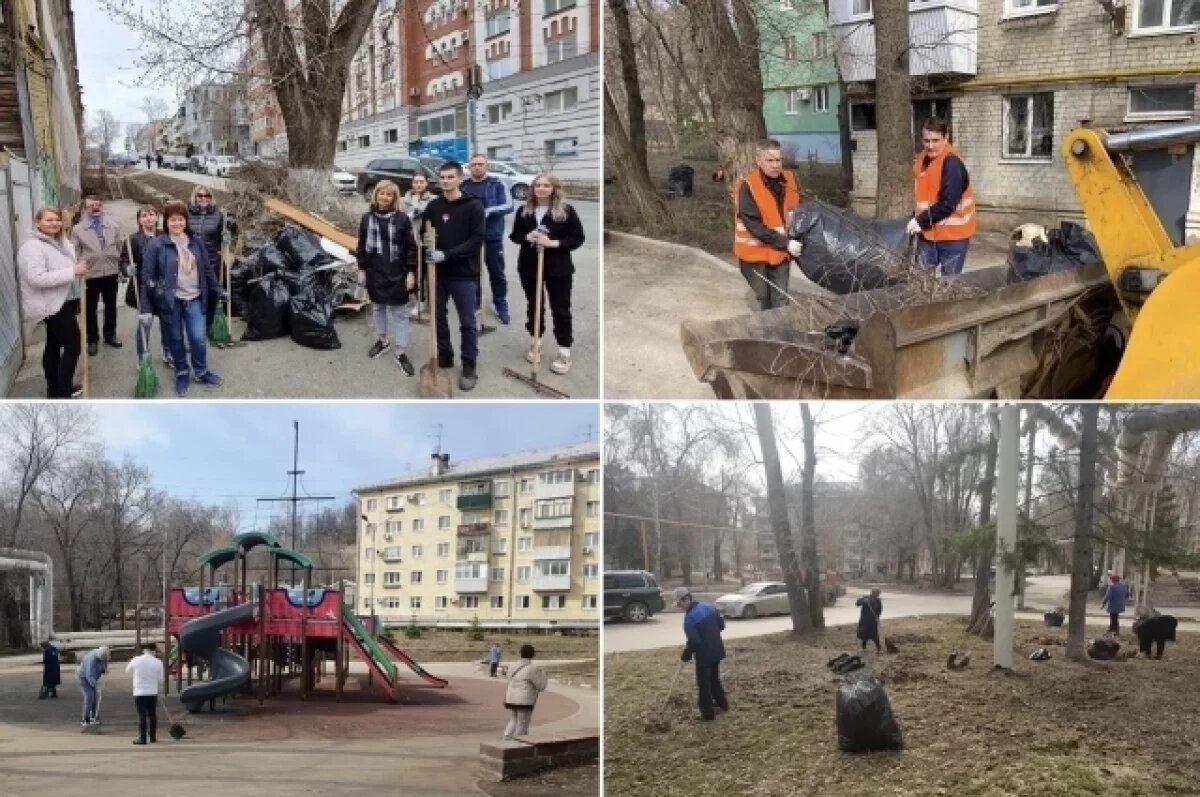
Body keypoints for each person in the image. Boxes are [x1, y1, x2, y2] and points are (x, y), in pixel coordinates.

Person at [141, 200, 223, 397]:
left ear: (185, 221)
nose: (177, 224)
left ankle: (201, 371)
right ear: (165, 222)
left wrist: (218, 290)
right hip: (170, 302)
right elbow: (147, 277)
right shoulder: (157, 245)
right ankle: (182, 372)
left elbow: (207, 270)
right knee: (176, 339)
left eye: (180, 219)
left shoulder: (196, 243)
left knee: (198, 338)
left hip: (194, 298)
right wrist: (145, 309)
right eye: (172, 220)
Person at [508, 173, 586, 376]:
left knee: (560, 308)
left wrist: (553, 243)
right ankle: (536, 342)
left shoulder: (566, 211)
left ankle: (564, 350)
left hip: (558, 267)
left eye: (546, 185)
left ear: (554, 188)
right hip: (529, 265)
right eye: (537, 185)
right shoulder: (524, 211)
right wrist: (527, 236)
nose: (541, 189)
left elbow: (578, 238)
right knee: (534, 305)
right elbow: (514, 236)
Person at [422, 161, 486, 391]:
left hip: (463, 275)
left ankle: (469, 364)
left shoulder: (473, 206)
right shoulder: (434, 206)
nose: (446, 181)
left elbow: (476, 241)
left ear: (460, 179)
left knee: (467, 322)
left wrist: (446, 255)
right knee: (437, 318)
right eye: (442, 177)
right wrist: (426, 243)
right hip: (436, 274)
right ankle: (445, 355)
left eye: (450, 177)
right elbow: (424, 234)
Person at [18, 207, 89, 398]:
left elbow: (67, 262)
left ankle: (55, 390)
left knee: (54, 344)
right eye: (49, 220)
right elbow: (36, 278)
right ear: (37, 223)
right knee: (73, 344)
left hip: (62, 299)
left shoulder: (55, 241)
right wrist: (73, 271)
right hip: (51, 304)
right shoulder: (32, 247)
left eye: (57, 219)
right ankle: (63, 392)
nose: (55, 223)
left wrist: (75, 268)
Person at [356, 180, 418, 375]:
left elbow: (411, 248)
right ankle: (383, 341)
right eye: (381, 193)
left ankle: (400, 352)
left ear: (394, 198)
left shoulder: (402, 219)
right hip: (375, 271)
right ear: (376, 195)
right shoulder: (366, 218)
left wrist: (410, 272)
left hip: (397, 272)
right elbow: (361, 246)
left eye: (389, 194)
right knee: (378, 307)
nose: (384, 197)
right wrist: (361, 268)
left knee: (400, 312)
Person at [734, 139, 803, 311]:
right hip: (753, 254)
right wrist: (786, 242)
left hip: (778, 253)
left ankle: (781, 333)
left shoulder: (790, 180)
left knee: (780, 299)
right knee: (764, 298)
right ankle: (768, 330)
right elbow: (754, 226)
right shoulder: (748, 187)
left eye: (778, 160)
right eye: (770, 160)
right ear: (759, 161)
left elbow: (800, 212)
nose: (775, 165)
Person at [906, 117, 975, 276]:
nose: (930, 146)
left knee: (947, 287)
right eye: (927, 140)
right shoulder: (922, 159)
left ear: (946, 138)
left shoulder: (952, 163)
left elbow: (948, 203)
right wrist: (916, 217)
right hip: (927, 235)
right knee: (919, 283)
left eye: (936, 140)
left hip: (953, 238)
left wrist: (920, 220)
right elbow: (925, 196)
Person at [461, 154, 514, 324]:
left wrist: (488, 211)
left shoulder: (497, 183)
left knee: (496, 273)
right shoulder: (464, 185)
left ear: (487, 166)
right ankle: (475, 302)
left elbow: (509, 205)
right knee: (472, 271)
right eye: (474, 164)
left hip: (492, 236)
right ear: (469, 167)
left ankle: (500, 304)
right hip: (470, 238)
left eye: (480, 164)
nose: (477, 167)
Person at [71, 195, 126, 356]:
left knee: (111, 305)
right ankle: (92, 338)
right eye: (91, 206)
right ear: (84, 209)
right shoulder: (78, 229)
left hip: (110, 271)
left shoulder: (113, 225)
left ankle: (110, 334)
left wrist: (115, 258)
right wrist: (82, 265)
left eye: (98, 205)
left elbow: (119, 244)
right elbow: (75, 251)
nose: (95, 207)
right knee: (90, 308)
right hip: (90, 274)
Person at [119, 204, 172, 367]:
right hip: (143, 289)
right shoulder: (133, 240)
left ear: (157, 217)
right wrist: (128, 269)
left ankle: (168, 352)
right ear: (139, 220)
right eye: (144, 215)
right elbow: (123, 261)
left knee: (167, 321)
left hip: (164, 287)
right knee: (145, 323)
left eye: (151, 214)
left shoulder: (166, 236)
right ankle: (143, 357)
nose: (148, 218)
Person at [672, 586, 728, 722]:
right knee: (714, 679)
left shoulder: (689, 619)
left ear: (687, 599)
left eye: (680, 604)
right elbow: (721, 625)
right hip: (717, 649)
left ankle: (707, 713)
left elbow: (695, 641)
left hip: (704, 655)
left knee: (704, 684)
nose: (680, 607)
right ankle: (722, 704)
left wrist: (686, 653)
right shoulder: (709, 606)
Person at [187, 185, 226, 338]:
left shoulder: (219, 215)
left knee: (211, 294)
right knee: (192, 294)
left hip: (211, 260)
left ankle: (209, 326)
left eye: (207, 196)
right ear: (195, 197)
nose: (203, 198)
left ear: (211, 198)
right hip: (190, 261)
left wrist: (228, 236)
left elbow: (225, 237)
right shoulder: (186, 213)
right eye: (200, 195)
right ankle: (193, 325)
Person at [401, 174, 436, 319]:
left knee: (429, 273)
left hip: (426, 241)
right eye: (416, 182)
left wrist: (416, 208)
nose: (418, 184)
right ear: (412, 183)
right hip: (410, 241)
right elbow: (404, 217)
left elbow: (427, 214)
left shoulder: (433, 200)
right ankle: (419, 301)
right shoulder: (404, 200)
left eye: (422, 182)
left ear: (426, 184)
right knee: (414, 272)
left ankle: (432, 302)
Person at [502, 644, 548, 740]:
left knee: (513, 720)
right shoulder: (532, 668)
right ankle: (519, 745)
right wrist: (544, 675)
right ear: (533, 655)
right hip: (524, 700)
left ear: (520, 653)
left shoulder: (512, 666)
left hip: (511, 698)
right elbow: (541, 686)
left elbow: (508, 678)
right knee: (522, 724)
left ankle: (505, 739)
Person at [125, 642, 165, 744]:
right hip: (152, 692)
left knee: (142, 715)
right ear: (154, 651)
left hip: (139, 692)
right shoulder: (158, 662)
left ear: (144, 650)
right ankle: (152, 737)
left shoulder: (136, 660)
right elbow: (161, 679)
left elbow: (127, 670)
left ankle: (142, 738)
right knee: (152, 715)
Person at [76, 644, 110, 726]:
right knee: (89, 695)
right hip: (83, 677)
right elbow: (89, 675)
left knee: (95, 696)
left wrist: (104, 669)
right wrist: (97, 686)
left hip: (93, 677)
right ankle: (85, 718)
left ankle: (94, 715)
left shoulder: (103, 654)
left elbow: (104, 663)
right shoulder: (91, 660)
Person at [1101, 572, 1129, 636]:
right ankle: (1114, 630)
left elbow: (1108, 596)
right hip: (1120, 605)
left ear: (1112, 580)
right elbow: (1126, 595)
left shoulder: (1111, 587)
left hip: (1113, 605)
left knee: (1113, 618)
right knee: (1115, 618)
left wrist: (1103, 603)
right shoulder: (1123, 586)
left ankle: (1113, 630)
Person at [855, 588, 883, 652]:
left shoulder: (878, 600)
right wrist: (863, 601)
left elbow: (880, 609)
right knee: (864, 633)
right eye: (877, 593)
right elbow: (857, 603)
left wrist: (877, 617)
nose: (878, 595)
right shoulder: (866, 598)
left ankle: (878, 647)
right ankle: (864, 647)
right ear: (873, 593)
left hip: (873, 620)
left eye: (878, 593)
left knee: (874, 634)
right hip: (865, 619)